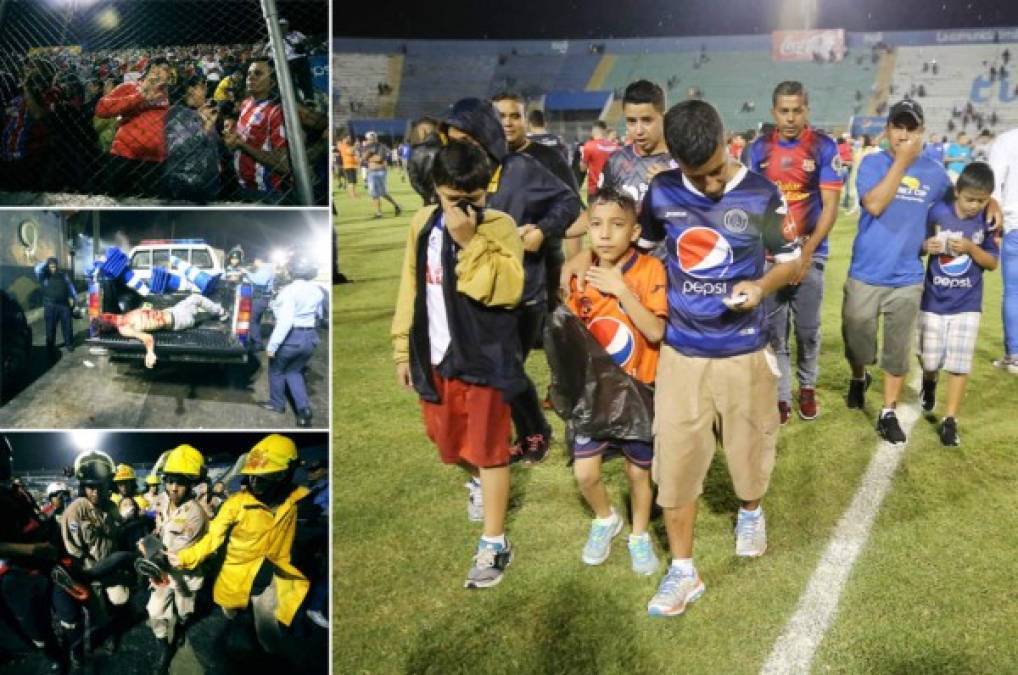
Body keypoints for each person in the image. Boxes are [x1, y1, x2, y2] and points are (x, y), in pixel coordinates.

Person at [564, 99, 801, 616]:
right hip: (680, 351)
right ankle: (683, 571)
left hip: (743, 350)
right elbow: (639, 247)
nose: (712, 184)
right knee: (674, 465)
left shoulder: (761, 194)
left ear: (726, 139)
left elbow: (791, 261)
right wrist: (587, 252)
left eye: (717, 170)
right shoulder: (663, 189)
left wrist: (760, 287)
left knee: (748, 452)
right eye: (701, 176)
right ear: (678, 161)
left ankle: (750, 511)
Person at [391, 141, 525, 588]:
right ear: (436, 190)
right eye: (454, 200)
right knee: (445, 441)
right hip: (436, 356)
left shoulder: (501, 227)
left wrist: (469, 243)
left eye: (475, 199)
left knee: (489, 449)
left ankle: (495, 541)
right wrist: (400, 347)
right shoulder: (421, 224)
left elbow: (505, 290)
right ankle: (481, 486)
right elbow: (411, 286)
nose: (465, 209)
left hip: (486, 359)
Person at [841, 100, 1000, 443]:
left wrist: (993, 203)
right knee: (857, 339)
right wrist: (902, 161)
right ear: (887, 130)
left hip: (908, 276)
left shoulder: (935, 173)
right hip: (866, 270)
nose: (904, 134)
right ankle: (858, 376)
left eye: (911, 128)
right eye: (898, 127)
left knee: (897, 349)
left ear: (921, 132)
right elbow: (875, 204)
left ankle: (887, 411)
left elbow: (962, 198)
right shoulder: (872, 163)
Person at [442, 97, 582, 464]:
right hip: (473, 285)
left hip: (522, 289)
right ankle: (501, 428)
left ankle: (535, 429)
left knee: (509, 367)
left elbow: (569, 203)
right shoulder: (453, 172)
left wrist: (542, 230)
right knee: (485, 365)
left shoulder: (519, 169)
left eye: (466, 140)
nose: (458, 148)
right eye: (453, 140)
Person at [561, 188, 666, 575]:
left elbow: (655, 331)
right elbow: (573, 336)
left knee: (638, 472)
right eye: (596, 225)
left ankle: (638, 534)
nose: (604, 234)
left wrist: (621, 290)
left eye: (617, 225)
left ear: (635, 231)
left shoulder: (650, 270)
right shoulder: (579, 274)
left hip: (639, 392)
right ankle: (606, 519)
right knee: (585, 472)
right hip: (595, 395)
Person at [168, 435, 313, 665]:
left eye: (263, 477)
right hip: (235, 579)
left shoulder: (296, 502)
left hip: (269, 580)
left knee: (268, 635)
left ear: (285, 474)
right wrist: (186, 557)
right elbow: (211, 538)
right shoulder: (235, 504)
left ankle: (269, 661)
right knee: (234, 627)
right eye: (252, 476)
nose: (255, 483)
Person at [747, 81, 842, 423]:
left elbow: (830, 207)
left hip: (810, 255)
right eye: (784, 111)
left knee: (807, 330)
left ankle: (808, 387)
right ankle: (781, 394)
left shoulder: (823, 147)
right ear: (774, 112)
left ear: (807, 110)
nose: (790, 118)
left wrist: (807, 252)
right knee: (775, 334)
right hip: (771, 259)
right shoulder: (757, 151)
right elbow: (750, 207)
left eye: (797, 110)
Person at [918, 162, 999, 446]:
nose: (975, 205)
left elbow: (992, 262)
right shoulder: (937, 212)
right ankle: (929, 381)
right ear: (957, 192)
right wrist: (926, 245)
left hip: (967, 303)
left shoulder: (987, 222)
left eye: (982, 200)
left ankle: (950, 419)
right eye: (970, 199)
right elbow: (917, 243)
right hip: (932, 301)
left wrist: (973, 249)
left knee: (959, 363)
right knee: (929, 360)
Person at [492, 92, 580, 316]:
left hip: (545, 263)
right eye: (501, 116)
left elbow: (574, 207)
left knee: (549, 336)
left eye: (515, 116)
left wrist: (544, 231)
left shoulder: (549, 157)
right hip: (494, 264)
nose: (508, 123)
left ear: (525, 120)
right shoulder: (484, 159)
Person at [141, 444, 209, 675]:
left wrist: (150, 555)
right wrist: (150, 540)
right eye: (169, 481)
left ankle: (179, 630)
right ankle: (164, 649)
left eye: (179, 482)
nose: (173, 488)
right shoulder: (161, 499)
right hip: (163, 570)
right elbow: (160, 528)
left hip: (184, 573)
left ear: (190, 484)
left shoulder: (195, 514)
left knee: (184, 611)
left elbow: (181, 554)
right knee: (155, 612)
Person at [257, 254, 327, 427]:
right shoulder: (317, 290)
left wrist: (272, 345)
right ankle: (304, 410)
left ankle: (277, 404)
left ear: (292, 271)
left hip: (291, 337)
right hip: (309, 337)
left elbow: (285, 321)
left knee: (276, 370)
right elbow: (319, 314)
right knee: (294, 372)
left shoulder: (288, 291)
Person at [95, 57, 172, 197]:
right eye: (161, 69)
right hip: (124, 156)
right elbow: (101, 109)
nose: (164, 74)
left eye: (167, 71)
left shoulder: (170, 95)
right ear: (151, 70)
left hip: (154, 161)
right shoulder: (130, 87)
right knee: (114, 200)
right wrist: (140, 96)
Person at [96, 294, 228, 369]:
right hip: (179, 319)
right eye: (105, 315)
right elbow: (147, 338)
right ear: (108, 319)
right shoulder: (124, 328)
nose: (106, 313)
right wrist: (150, 353)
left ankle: (214, 310)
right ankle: (221, 312)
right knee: (196, 300)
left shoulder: (121, 317)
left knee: (194, 300)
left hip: (171, 311)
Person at [224, 58, 291, 202]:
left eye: (258, 73)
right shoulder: (246, 103)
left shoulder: (276, 112)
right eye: (249, 73)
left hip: (265, 192)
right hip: (242, 186)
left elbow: (284, 165)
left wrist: (242, 145)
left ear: (272, 82)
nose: (251, 76)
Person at [988, 127, 1018, 373]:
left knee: (1014, 292)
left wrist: (994, 228)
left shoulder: (1006, 140)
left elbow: (993, 186)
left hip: (1015, 225)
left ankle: (1015, 355)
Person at [34, 256, 77, 357]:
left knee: (67, 326)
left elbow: (70, 286)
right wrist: (46, 262)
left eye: (54, 266)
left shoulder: (63, 275)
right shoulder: (44, 276)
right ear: (48, 267)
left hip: (64, 305)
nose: (53, 268)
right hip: (50, 305)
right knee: (50, 327)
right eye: (51, 266)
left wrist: (74, 298)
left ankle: (69, 344)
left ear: (57, 266)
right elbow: (37, 269)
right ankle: (50, 347)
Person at [579, 119, 621, 204]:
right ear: (605, 131)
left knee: (595, 216)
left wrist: (582, 156)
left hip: (595, 190)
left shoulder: (589, 146)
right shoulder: (616, 147)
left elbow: (582, 169)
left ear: (593, 131)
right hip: (614, 190)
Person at [363, 131, 402, 218]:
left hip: (380, 171)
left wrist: (368, 157)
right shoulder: (367, 147)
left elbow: (379, 158)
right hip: (371, 172)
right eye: (369, 139)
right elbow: (362, 158)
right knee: (374, 193)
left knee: (383, 193)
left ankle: (397, 205)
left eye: (371, 139)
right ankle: (378, 213)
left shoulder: (381, 146)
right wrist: (368, 157)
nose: (370, 140)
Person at [407, 116, 442, 205]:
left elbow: (414, 181)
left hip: (430, 202)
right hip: (453, 204)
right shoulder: (450, 148)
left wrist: (429, 196)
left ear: (423, 131)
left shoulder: (415, 152)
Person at [337, 133, 360, 199]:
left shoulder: (348, 145)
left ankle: (354, 194)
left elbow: (354, 153)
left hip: (352, 165)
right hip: (348, 166)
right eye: (348, 138)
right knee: (351, 182)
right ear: (344, 139)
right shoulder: (343, 146)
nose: (349, 139)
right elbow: (350, 151)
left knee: (354, 181)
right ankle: (352, 196)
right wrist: (355, 146)